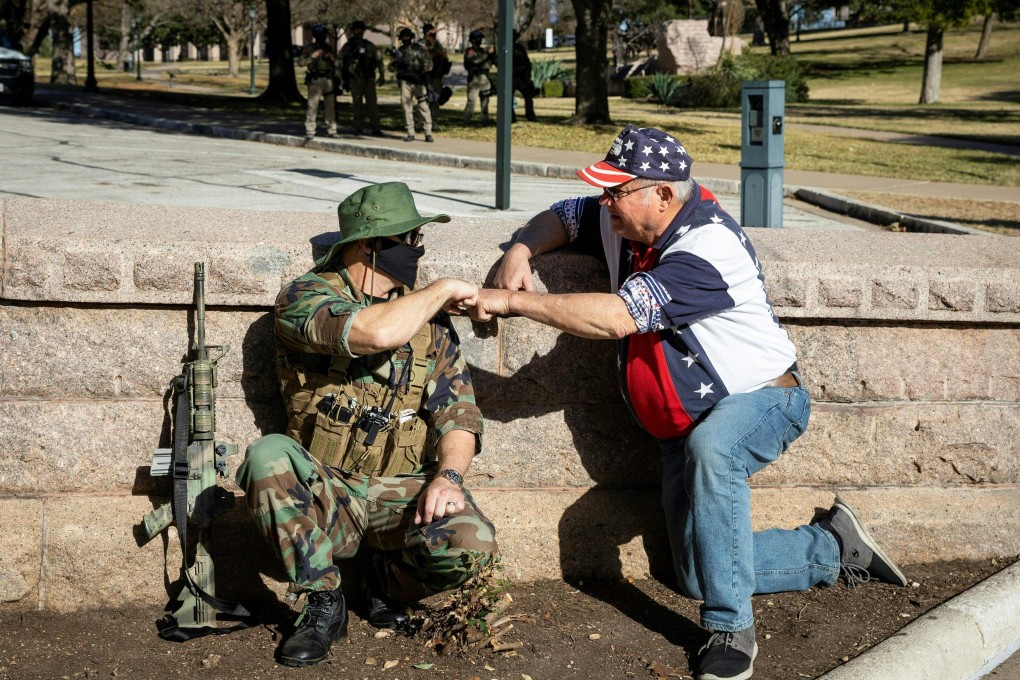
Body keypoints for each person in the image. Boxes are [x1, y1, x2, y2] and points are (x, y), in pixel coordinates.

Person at [469, 125, 907, 680]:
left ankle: (730, 630)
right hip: (687, 425)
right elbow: (566, 214)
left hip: (765, 399)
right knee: (696, 574)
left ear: (663, 194)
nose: (605, 204)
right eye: (604, 192)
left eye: (615, 192)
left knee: (714, 451)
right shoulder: (624, 217)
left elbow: (617, 317)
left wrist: (510, 301)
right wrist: (520, 249)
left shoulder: (707, 246)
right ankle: (833, 547)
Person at [237, 181, 498, 668]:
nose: (417, 251)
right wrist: (441, 290)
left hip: (399, 495)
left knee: (471, 542)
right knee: (265, 456)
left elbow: (458, 415)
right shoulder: (304, 298)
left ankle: (386, 587)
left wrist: (449, 476)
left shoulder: (431, 324)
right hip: (325, 494)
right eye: (409, 240)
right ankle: (322, 603)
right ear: (368, 245)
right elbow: (375, 331)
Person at [339, 20, 384, 136]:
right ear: (353, 31)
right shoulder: (348, 46)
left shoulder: (369, 45)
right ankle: (358, 128)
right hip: (355, 79)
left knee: (372, 105)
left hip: (368, 78)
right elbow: (340, 62)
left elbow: (379, 60)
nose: (359, 32)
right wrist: (342, 78)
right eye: (356, 30)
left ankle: (375, 128)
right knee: (357, 104)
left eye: (361, 29)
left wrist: (382, 75)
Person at [388, 27, 433, 143]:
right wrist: (395, 60)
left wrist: (421, 73)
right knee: (406, 107)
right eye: (404, 37)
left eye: (408, 37)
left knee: (423, 106)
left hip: (418, 81)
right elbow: (391, 68)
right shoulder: (399, 51)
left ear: (412, 37)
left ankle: (428, 132)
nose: (406, 39)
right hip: (405, 82)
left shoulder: (420, 50)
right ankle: (410, 133)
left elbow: (428, 64)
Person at [299, 24, 339, 139]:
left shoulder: (328, 47)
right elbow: (301, 63)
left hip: (328, 79)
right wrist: (312, 56)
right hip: (315, 79)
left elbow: (337, 63)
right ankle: (310, 130)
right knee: (312, 105)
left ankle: (332, 129)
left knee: (330, 106)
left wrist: (332, 58)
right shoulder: (309, 48)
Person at [421, 23, 451, 131]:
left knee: (435, 100)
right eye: (431, 33)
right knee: (424, 100)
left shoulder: (437, 44)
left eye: (434, 33)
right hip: (426, 76)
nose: (433, 35)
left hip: (437, 75)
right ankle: (420, 123)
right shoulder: (422, 44)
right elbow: (424, 56)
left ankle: (434, 122)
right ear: (425, 33)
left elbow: (444, 55)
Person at [463, 29, 494, 125]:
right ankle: (467, 120)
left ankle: (485, 120)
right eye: (478, 39)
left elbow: (489, 63)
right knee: (472, 100)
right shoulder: (470, 51)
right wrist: (487, 54)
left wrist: (492, 55)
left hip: (484, 78)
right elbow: (476, 60)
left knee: (485, 100)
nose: (480, 41)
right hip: (475, 79)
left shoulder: (482, 51)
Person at [511, 30, 537, 122]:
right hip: (513, 77)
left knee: (528, 96)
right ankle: (513, 117)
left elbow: (527, 63)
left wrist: (527, 75)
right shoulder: (507, 49)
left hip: (521, 76)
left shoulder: (520, 48)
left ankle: (530, 115)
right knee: (510, 98)